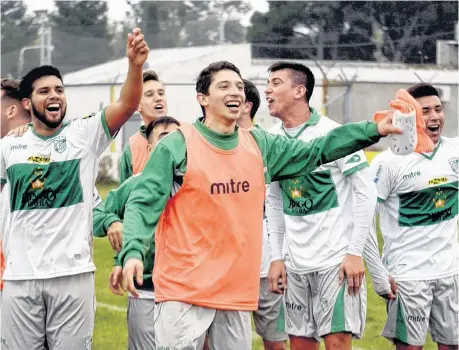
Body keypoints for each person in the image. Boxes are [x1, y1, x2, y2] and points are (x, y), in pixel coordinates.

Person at [119, 60, 401, 350]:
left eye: (240, 86)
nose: (236, 92)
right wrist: (133, 252)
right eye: (224, 86)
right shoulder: (176, 145)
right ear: (202, 99)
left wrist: (374, 129)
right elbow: (143, 202)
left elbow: (318, 149)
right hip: (184, 289)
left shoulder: (259, 143)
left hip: (234, 290)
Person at [0, 28, 149, 349]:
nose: (54, 95)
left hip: (74, 276)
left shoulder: (85, 134)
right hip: (19, 279)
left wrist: (134, 66)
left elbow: (127, 102)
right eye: (44, 91)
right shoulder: (9, 147)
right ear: (27, 102)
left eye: (59, 89)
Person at [264, 61, 378, 350]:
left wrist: (354, 253)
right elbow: (275, 202)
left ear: (299, 91)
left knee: (338, 345)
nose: (267, 90)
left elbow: (367, 194)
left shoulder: (334, 135)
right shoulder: (272, 140)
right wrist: (277, 257)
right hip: (294, 265)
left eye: (276, 83)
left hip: (335, 262)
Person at [370, 83, 458, 350]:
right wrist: (378, 273)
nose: (434, 117)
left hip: (451, 274)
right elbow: (362, 222)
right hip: (407, 279)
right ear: (410, 116)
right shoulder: (387, 163)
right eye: (425, 111)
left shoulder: (455, 151)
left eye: (438, 109)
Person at [93, 116, 180, 350]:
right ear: (151, 149)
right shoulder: (135, 184)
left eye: (178, 139)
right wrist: (112, 222)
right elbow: (95, 215)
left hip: (187, 289)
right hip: (146, 289)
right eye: (165, 139)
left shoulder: (196, 183)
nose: (173, 144)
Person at [238, 79, 288, 350]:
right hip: (229, 267)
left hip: (267, 263)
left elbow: (281, 204)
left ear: (246, 106)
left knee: (276, 340)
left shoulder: (270, 144)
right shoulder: (212, 146)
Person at [119, 70, 168, 182]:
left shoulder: (185, 135)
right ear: (137, 106)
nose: (158, 98)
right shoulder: (131, 147)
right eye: (149, 95)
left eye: (161, 93)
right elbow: (125, 194)